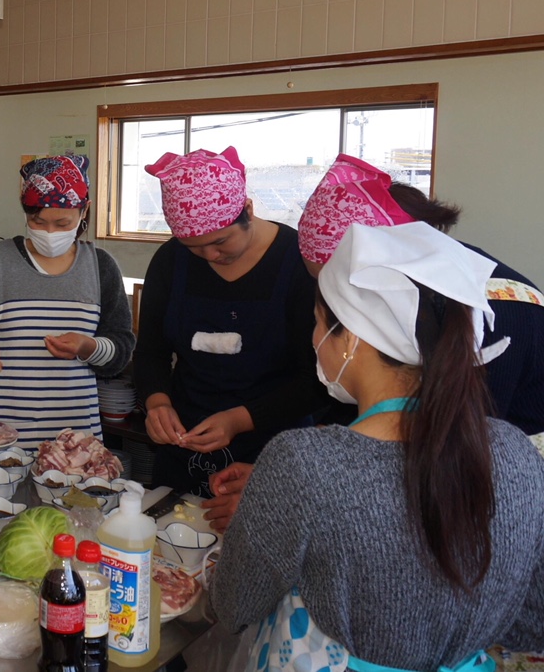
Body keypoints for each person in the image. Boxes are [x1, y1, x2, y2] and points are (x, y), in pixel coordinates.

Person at [210, 222, 544, 672]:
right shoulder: (516, 452)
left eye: (318, 322)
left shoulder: (304, 462)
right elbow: (531, 622)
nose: (313, 338)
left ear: (351, 338)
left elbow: (234, 607)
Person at [205, 154, 544, 532]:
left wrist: (287, 496)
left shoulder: (487, 316)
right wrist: (284, 476)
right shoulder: (425, 287)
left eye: (336, 292)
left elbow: (443, 463)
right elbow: (382, 417)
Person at [134, 146, 322, 496]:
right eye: (193, 246)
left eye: (220, 241)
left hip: (276, 447)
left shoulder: (299, 263)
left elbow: (317, 379)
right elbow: (150, 351)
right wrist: (157, 402)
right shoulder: (170, 261)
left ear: (248, 210)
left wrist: (239, 419)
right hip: (185, 442)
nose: (210, 255)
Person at [0, 154, 135, 448]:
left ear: (84, 210)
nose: (49, 233)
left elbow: (121, 348)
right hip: (1, 432)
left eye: (62, 223)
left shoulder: (100, 267)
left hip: (75, 437)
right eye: (38, 221)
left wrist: (88, 347)